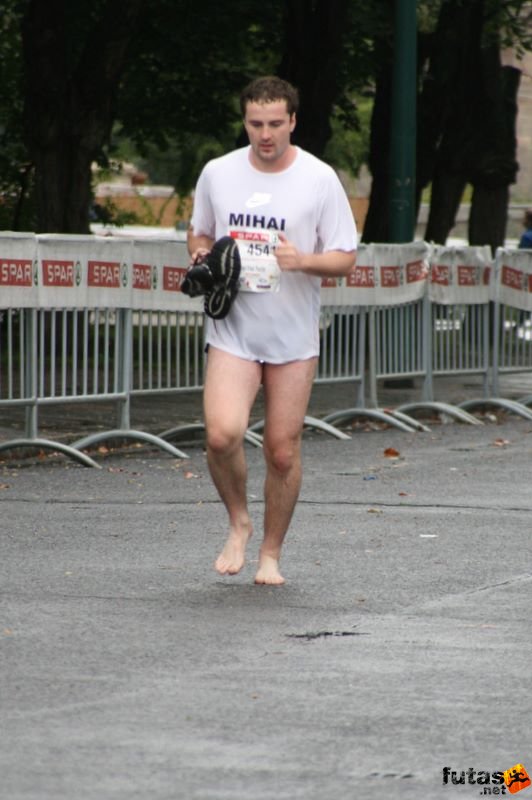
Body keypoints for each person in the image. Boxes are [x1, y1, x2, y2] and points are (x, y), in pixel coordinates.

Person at [187, 76, 358, 585]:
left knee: (282, 449)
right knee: (221, 436)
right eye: (256, 124)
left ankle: (270, 553)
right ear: (245, 122)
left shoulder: (320, 178)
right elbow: (199, 230)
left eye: (275, 124)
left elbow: (346, 258)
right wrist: (199, 252)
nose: (265, 134)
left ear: (293, 122)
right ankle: (238, 521)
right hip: (235, 329)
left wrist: (301, 259)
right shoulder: (218, 172)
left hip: (292, 337)